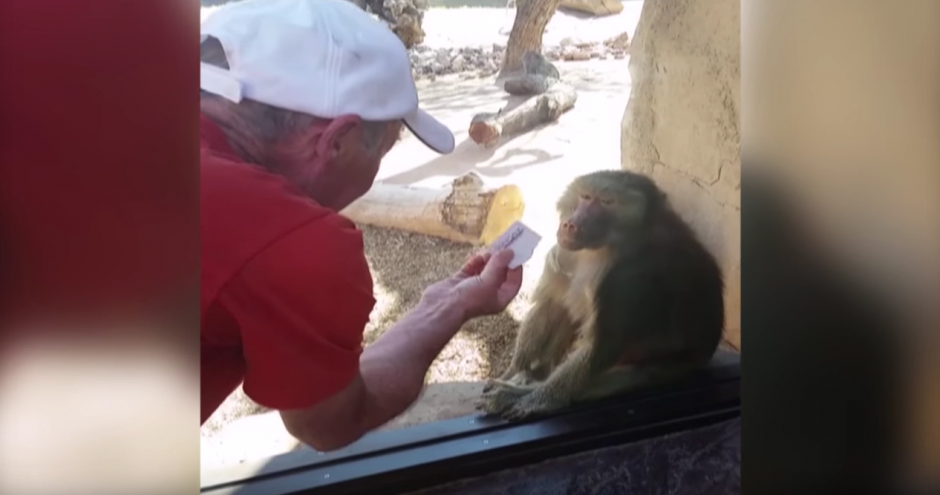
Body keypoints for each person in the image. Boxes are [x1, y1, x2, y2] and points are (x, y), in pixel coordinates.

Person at [199, 0, 524, 451]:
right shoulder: (292, 242)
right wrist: (453, 310)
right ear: (335, 141)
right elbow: (331, 422)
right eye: (385, 150)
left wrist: (440, 302)